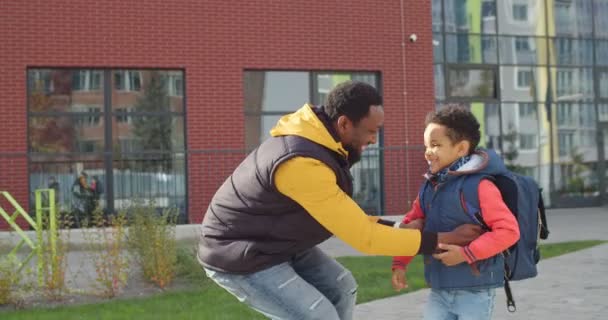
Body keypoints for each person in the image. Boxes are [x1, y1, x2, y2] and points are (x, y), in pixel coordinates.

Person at [197, 81, 482, 320]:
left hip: (276, 242)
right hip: (242, 255)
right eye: (370, 131)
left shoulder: (322, 144)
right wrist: (441, 239)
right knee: (318, 315)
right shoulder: (301, 163)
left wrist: (398, 230)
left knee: (342, 287)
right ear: (344, 123)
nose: (373, 140)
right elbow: (364, 237)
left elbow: (347, 217)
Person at [390, 105, 520, 320]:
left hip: (475, 291)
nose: (427, 152)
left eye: (435, 145)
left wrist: (466, 254)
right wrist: (400, 262)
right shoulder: (430, 186)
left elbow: (508, 231)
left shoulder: (480, 186)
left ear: (461, 148)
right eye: (426, 145)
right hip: (439, 289)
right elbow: (412, 224)